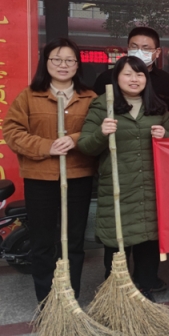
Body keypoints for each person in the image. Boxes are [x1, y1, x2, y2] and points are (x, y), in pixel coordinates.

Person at [5, 38, 97, 302]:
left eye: (69, 60)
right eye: (56, 59)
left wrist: (75, 139)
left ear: (77, 65)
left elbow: (98, 130)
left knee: (74, 241)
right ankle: (47, 302)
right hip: (40, 178)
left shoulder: (89, 97)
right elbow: (12, 132)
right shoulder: (29, 96)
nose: (63, 65)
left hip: (78, 176)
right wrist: (47, 146)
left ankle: (71, 299)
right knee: (43, 241)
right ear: (46, 63)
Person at [78, 56, 169, 301]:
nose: (134, 79)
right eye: (128, 74)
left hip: (151, 188)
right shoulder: (103, 105)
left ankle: (146, 288)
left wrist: (165, 136)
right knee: (117, 244)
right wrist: (101, 133)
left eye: (139, 74)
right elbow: (85, 146)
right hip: (118, 188)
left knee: (149, 242)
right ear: (116, 77)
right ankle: (118, 293)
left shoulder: (157, 106)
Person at [93, 27, 169, 111]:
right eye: (134, 47)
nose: (139, 52)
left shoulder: (168, 82)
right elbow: (96, 109)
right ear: (128, 48)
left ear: (157, 52)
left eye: (146, 48)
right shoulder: (107, 77)